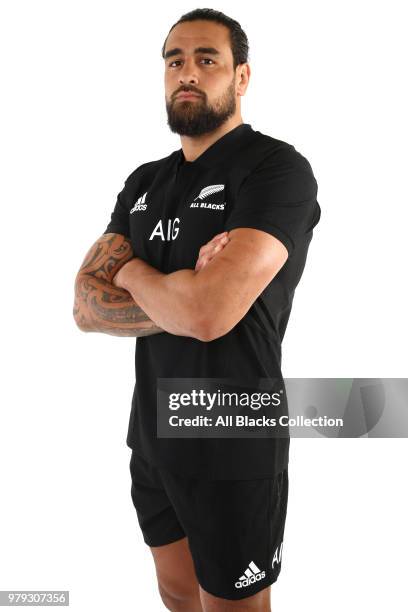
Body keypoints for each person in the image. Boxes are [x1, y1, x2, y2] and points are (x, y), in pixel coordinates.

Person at [73, 8, 321, 611]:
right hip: (152, 432)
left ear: (241, 77)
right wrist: (176, 289)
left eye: (207, 59)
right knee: (176, 592)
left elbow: (211, 315)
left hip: (232, 434)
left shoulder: (275, 169)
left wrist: (128, 274)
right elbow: (84, 304)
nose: (187, 72)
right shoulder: (142, 182)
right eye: (174, 60)